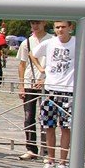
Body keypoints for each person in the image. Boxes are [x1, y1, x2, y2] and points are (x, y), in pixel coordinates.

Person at [33, 21, 85, 168]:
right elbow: (33, 54)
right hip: (51, 90)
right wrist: (41, 69)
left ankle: (62, 163)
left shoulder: (78, 43)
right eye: (57, 27)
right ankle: (50, 161)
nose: (60, 30)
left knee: (66, 127)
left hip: (69, 91)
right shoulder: (49, 43)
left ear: (70, 28)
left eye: (63, 27)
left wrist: (84, 80)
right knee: (48, 126)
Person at [16, 20, 49, 160]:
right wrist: (21, 85)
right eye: (32, 23)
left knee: (46, 117)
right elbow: (22, 65)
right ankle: (31, 148)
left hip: (47, 84)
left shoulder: (51, 40)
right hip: (30, 81)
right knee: (28, 117)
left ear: (44, 23)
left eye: (38, 23)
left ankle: (46, 149)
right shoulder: (26, 42)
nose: (35, 26)